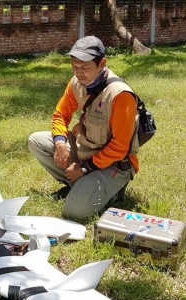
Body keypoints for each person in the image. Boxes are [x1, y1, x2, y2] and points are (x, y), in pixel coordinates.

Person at [28, 36, 139, 220]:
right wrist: (60, 143)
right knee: (36, 141)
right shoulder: (76, 83)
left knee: (74, 213)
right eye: (74, 67)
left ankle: (111, 193)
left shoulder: (120, 95)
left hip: (114, 164)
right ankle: (79, 185)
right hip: (85, 149)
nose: (78, 73)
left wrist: (84, 168)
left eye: (85, 67)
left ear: (102, 63)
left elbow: (120, 147)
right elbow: (60, 114)